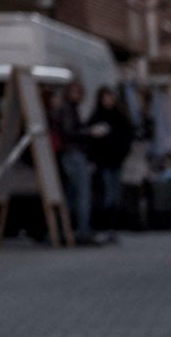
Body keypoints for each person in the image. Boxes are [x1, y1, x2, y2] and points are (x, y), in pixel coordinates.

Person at [86, 85, 134, 234]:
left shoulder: (119, 117)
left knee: (115, 195)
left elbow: (128, 135)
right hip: (103, 162)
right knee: (107, 195)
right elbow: (90, 139)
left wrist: (122, 152)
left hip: (116, 161)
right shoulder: (96, 117)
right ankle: (105, 226)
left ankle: (112, 226)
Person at [52, 81, 95, 243]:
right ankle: (82, 230)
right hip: (73, 154)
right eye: (75, 92)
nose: (78, 96)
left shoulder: (71, 109)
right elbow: (70, 132)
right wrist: (88, 132)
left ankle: (63, 228)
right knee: (82, 194)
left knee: (71, 194)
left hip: (71, 154)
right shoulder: (68, 109)